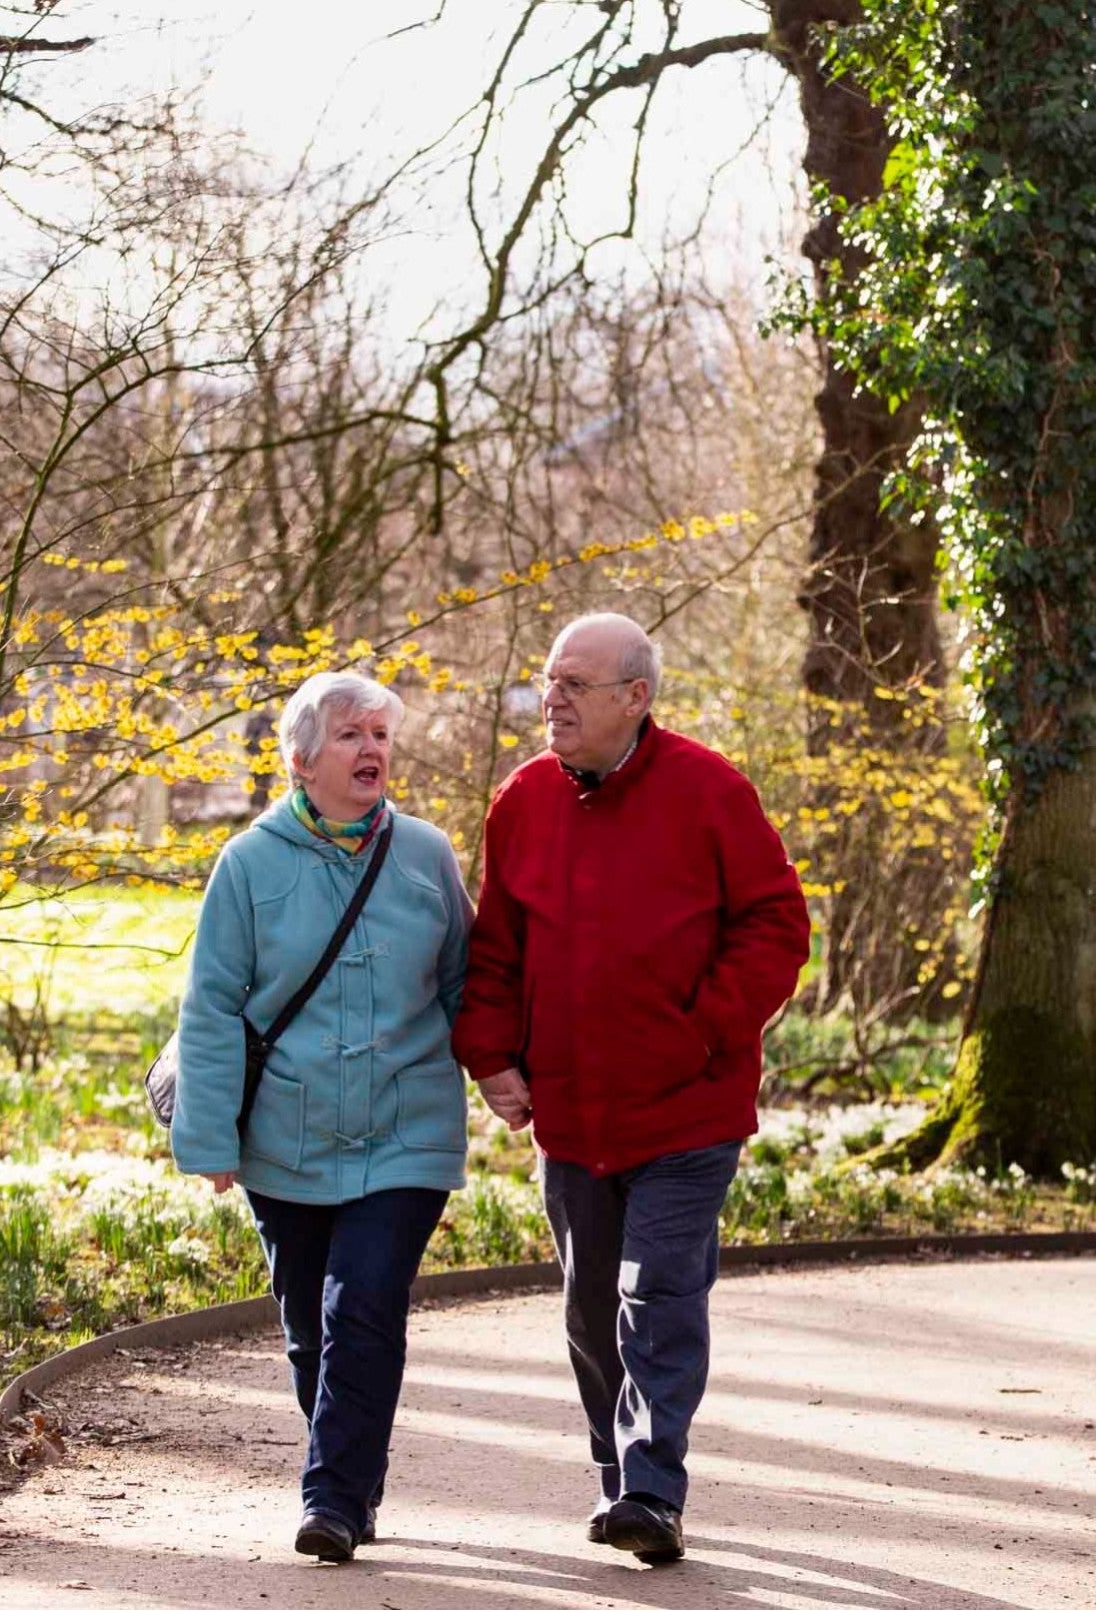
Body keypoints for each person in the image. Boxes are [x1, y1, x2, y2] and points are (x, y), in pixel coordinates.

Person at [453, 613, 811, 1565]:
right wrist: (490, 1055)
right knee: (588, 1311)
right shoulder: (522, 801)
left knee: (656, 1294)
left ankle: (653, 1489)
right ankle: (621, 1481)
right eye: (547, 682)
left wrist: (700, 1029)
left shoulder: (710, 791)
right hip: (572, 1113)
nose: (553, 700)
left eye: (575, 683)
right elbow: (495, 950)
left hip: (687, 1109)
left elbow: (777, 926)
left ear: (635, 698)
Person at [171, 670, 473, 1564]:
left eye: (380, 734)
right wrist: (211, 1136)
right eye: (350, 735)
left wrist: (506, 1073)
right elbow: (214, 1007)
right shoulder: (247, 863)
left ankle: (332, 1498)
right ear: (301, 760)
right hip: (286, 1133)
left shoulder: (425, 855)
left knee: (365, 1307)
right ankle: (353, 1474)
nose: (371, 749)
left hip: (406, 1130)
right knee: (310, 1324)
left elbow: (468, 984)